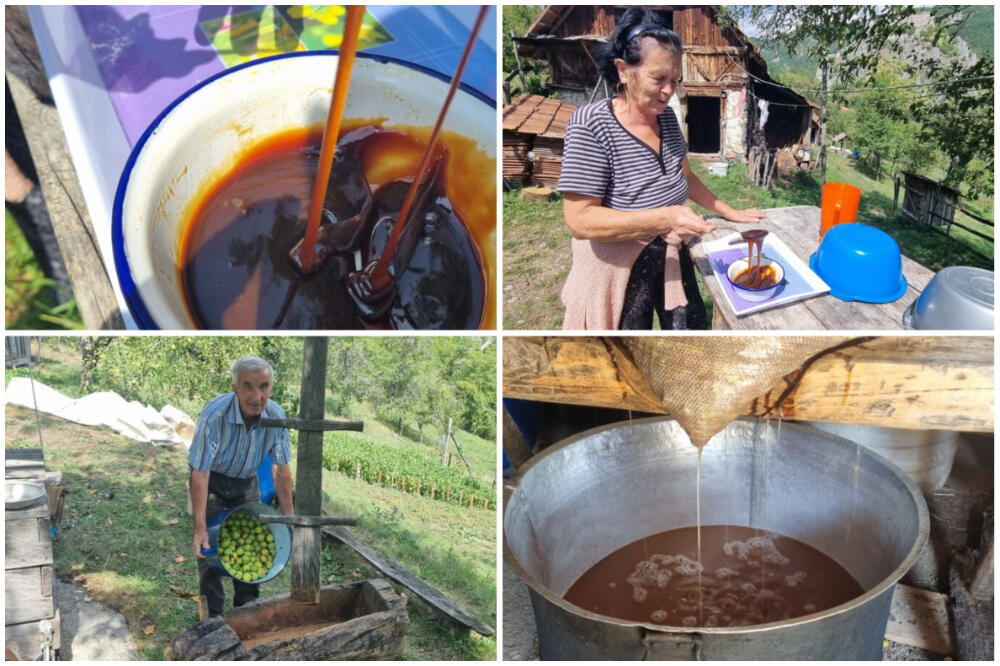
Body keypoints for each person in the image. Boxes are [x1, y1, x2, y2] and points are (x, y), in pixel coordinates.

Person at [557, 7, 766, 330]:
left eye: (675, 80)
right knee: (630, 351)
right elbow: (580, 220)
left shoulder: (667, 118)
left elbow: (686, 176)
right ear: (623, 70)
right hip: (618, 268)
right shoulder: (591, 124)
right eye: (659, 79)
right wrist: (666, 217)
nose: (669, 91)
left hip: (670, 248)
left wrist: (729, 211)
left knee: (690, 334)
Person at [188, 356, 294, 617]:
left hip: (246, 481)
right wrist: (200, 528)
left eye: (264, 386)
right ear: (235, 388)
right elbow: (199, 475)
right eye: (248, 386)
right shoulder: (215, 416)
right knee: (209, 549)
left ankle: (245, 612)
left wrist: (289, 516)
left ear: (271, 388)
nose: (257, 396)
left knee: (253, 547)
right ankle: (212, 617)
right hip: (212, 479)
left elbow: (282, 472)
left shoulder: (276, 417)